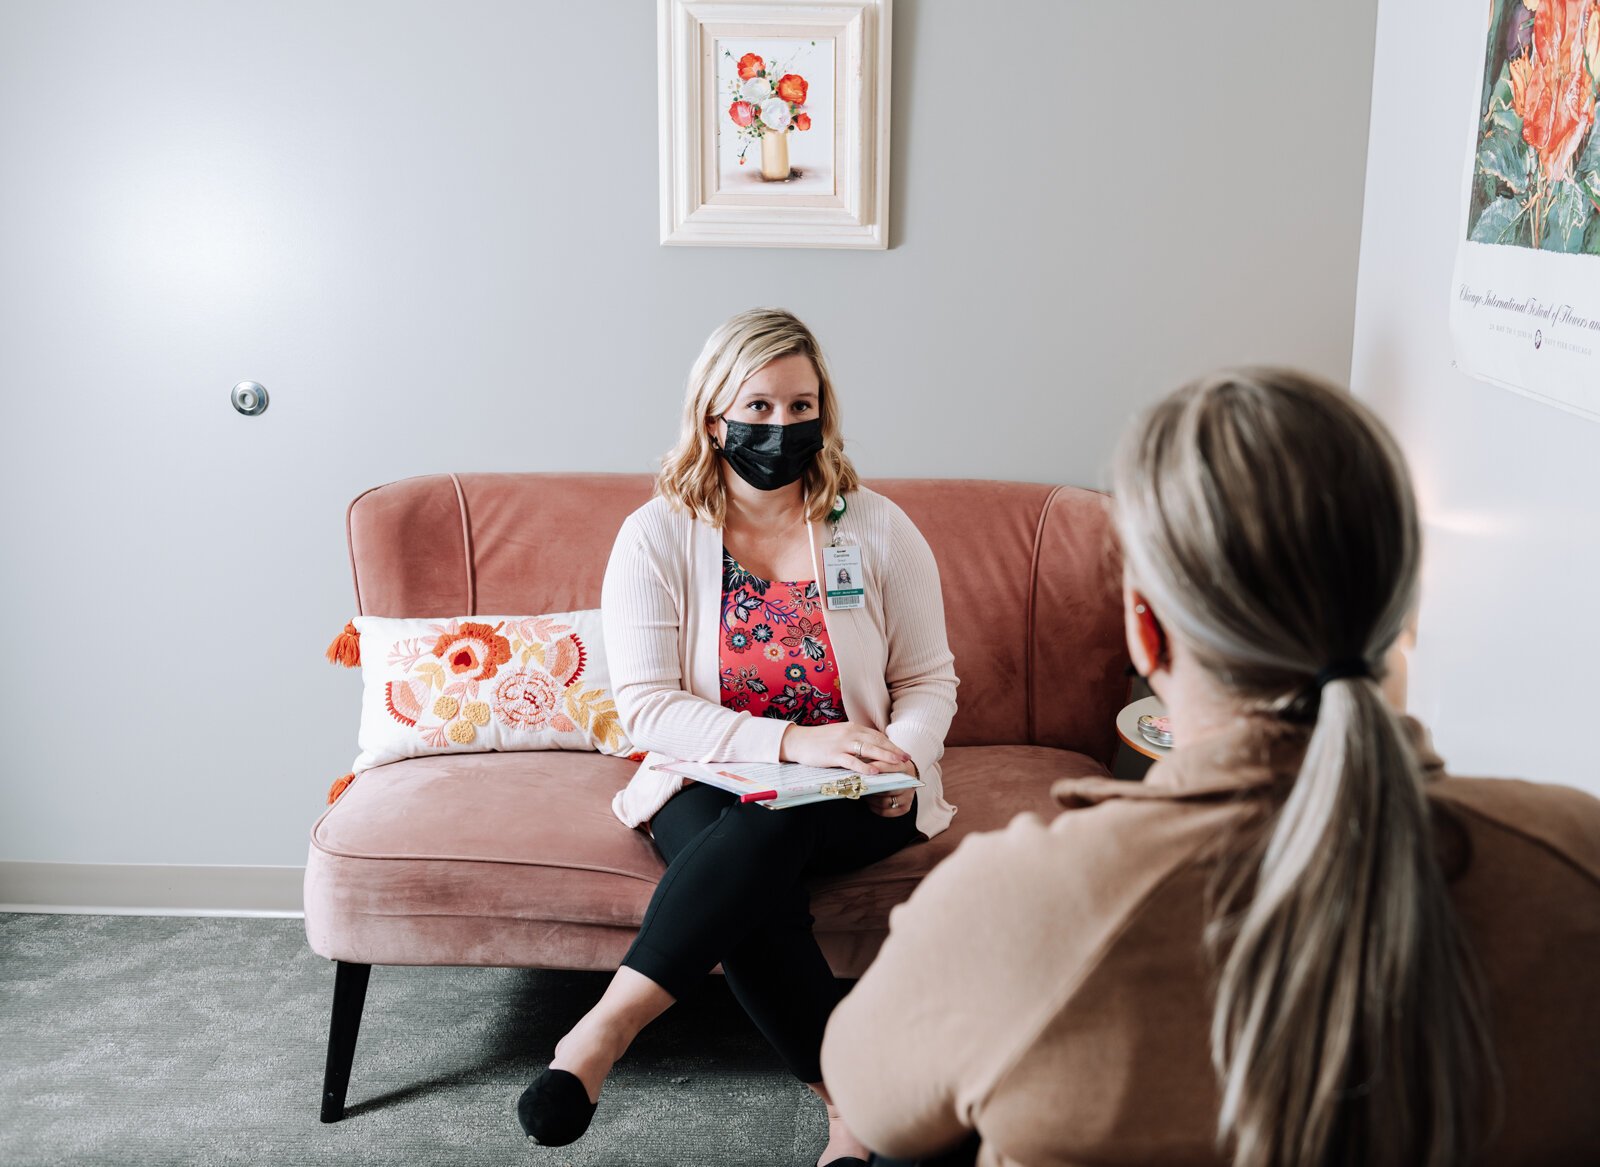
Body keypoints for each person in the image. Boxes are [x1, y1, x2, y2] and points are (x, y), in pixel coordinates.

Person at [820, 368, 1600, 1166]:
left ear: (1145, 631)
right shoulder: (1577, 854)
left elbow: (871, 1099)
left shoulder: (1018, 903)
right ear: (1399, 611)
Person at [516, 306, 960, 1167]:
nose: (781, 426)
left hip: (865, 784)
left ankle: (600, 1032)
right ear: (712, 416)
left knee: (772, 826)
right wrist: (795, 744)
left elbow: (930, 679)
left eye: (801, 406)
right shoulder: (655, 536)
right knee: (756, 841)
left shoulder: (873, 526)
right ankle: (851, 1110)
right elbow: (646, 707)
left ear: (824, 410)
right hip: (703, 774)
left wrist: (901, 753)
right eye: (757, 408)